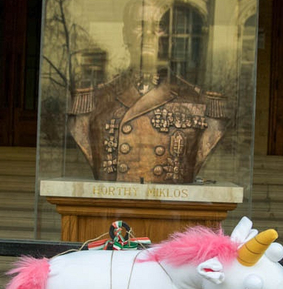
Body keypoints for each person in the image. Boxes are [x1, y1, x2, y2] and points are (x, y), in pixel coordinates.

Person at [67, 0, 227, 184]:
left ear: (171, 37)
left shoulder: (201, 103)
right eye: (139, 25)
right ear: (125, 34)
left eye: (159, 26)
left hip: (171, 208)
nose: (148, 34)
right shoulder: (93, 102)